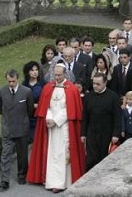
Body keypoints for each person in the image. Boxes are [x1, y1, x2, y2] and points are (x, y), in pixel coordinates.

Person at [27, 65, 86, 193]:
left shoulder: (72, 89)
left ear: (65, 74)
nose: (57, 77)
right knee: (51, 153)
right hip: (50, 127)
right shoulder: (48, 87)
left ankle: (62, 182)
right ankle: (50, 180)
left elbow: (70, 110)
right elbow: (46, 106)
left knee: (63, 154)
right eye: (55, 75)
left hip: (64, 126)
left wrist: (56, 120)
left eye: (59, 75)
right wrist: (48, 118)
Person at [0, 69, 34, 191]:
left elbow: (30, 110)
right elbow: (0, 108)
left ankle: (22, 175)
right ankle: (4, 180)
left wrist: (22, 120)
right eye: (9, 81)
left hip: (22, 127)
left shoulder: (27, 92)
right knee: (5, 155)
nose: (11, 83)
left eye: (13, 81)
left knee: (22, 154)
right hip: (7, 127)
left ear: (17, 79)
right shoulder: (1, 92)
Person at [80, 73, 122, 171]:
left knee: (103, 159)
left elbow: (117, 117)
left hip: (106, 133)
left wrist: (116, 134)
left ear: (105, 83)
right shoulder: (88, 96)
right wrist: (83, 134)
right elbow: (85, 116)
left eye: (98, 84)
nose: (95, 86)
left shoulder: (113, 97)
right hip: (92, 133)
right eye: (94, 83)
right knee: (90, 160)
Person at [21, 61, 45, 143]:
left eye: (36, 70)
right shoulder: (24, 85)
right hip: (28, 117)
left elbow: (46, 100)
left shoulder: (43, 84)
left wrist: (38, 105)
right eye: (32, 70)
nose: (35, 72)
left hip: (39, 117)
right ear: (27, 72)